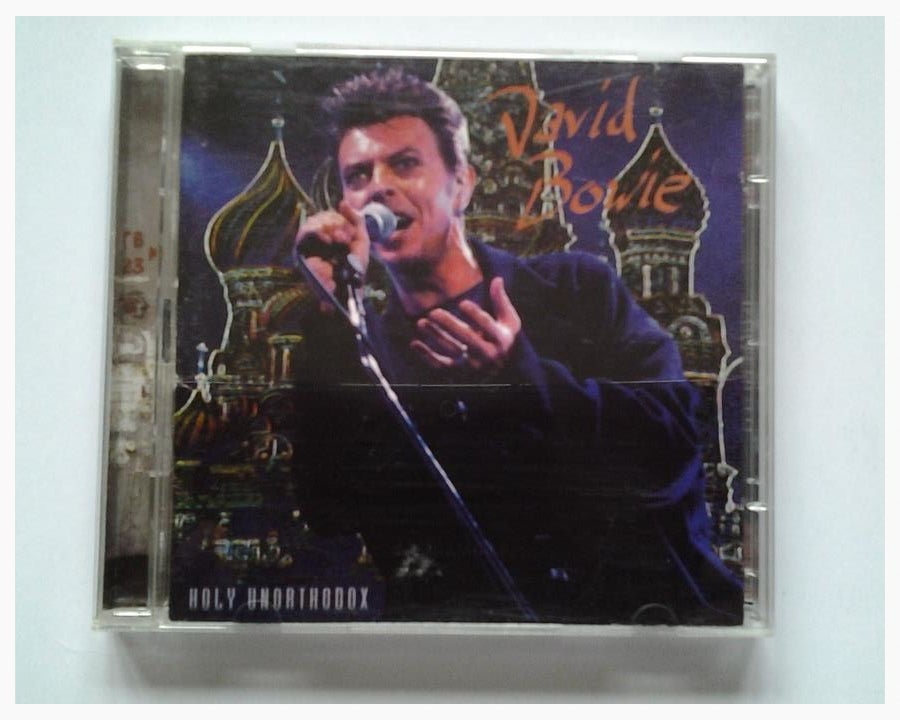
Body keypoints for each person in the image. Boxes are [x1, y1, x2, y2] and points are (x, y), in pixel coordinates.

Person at [292, 67, 743, 624]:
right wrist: (332, 314)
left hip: (638, 638)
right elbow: (329, 510)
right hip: (466, 652)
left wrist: (520, 379)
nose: (377, 187)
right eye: (358, 175)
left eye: (405, 164)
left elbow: (669, 448)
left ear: (462, 185)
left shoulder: (575, 290)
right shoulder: (363, 353)